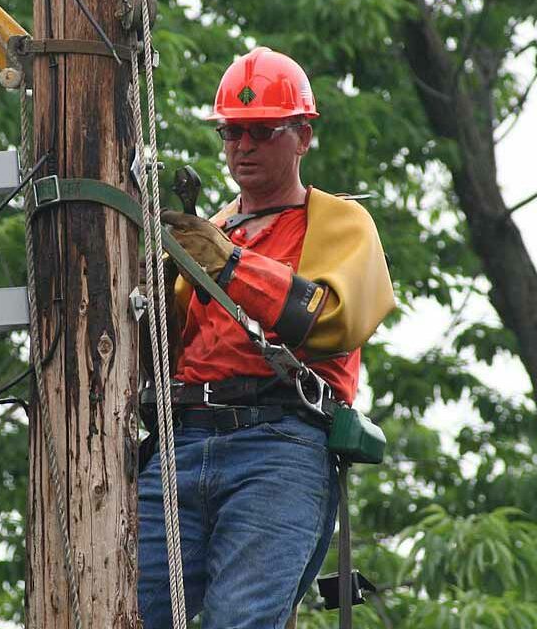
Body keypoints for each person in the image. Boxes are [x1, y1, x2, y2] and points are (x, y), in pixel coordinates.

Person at [137, 47, 396, 629]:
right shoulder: (212, 233)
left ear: (303, 136)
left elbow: (330, 320)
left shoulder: (337, 223)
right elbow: (162, 355)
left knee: (241, 622)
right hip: (180, 444)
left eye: (261, 131)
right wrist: (151, 288)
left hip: (278, 445)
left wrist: (229, 265)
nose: (242, 147)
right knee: (114, 610)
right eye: (232, 133)